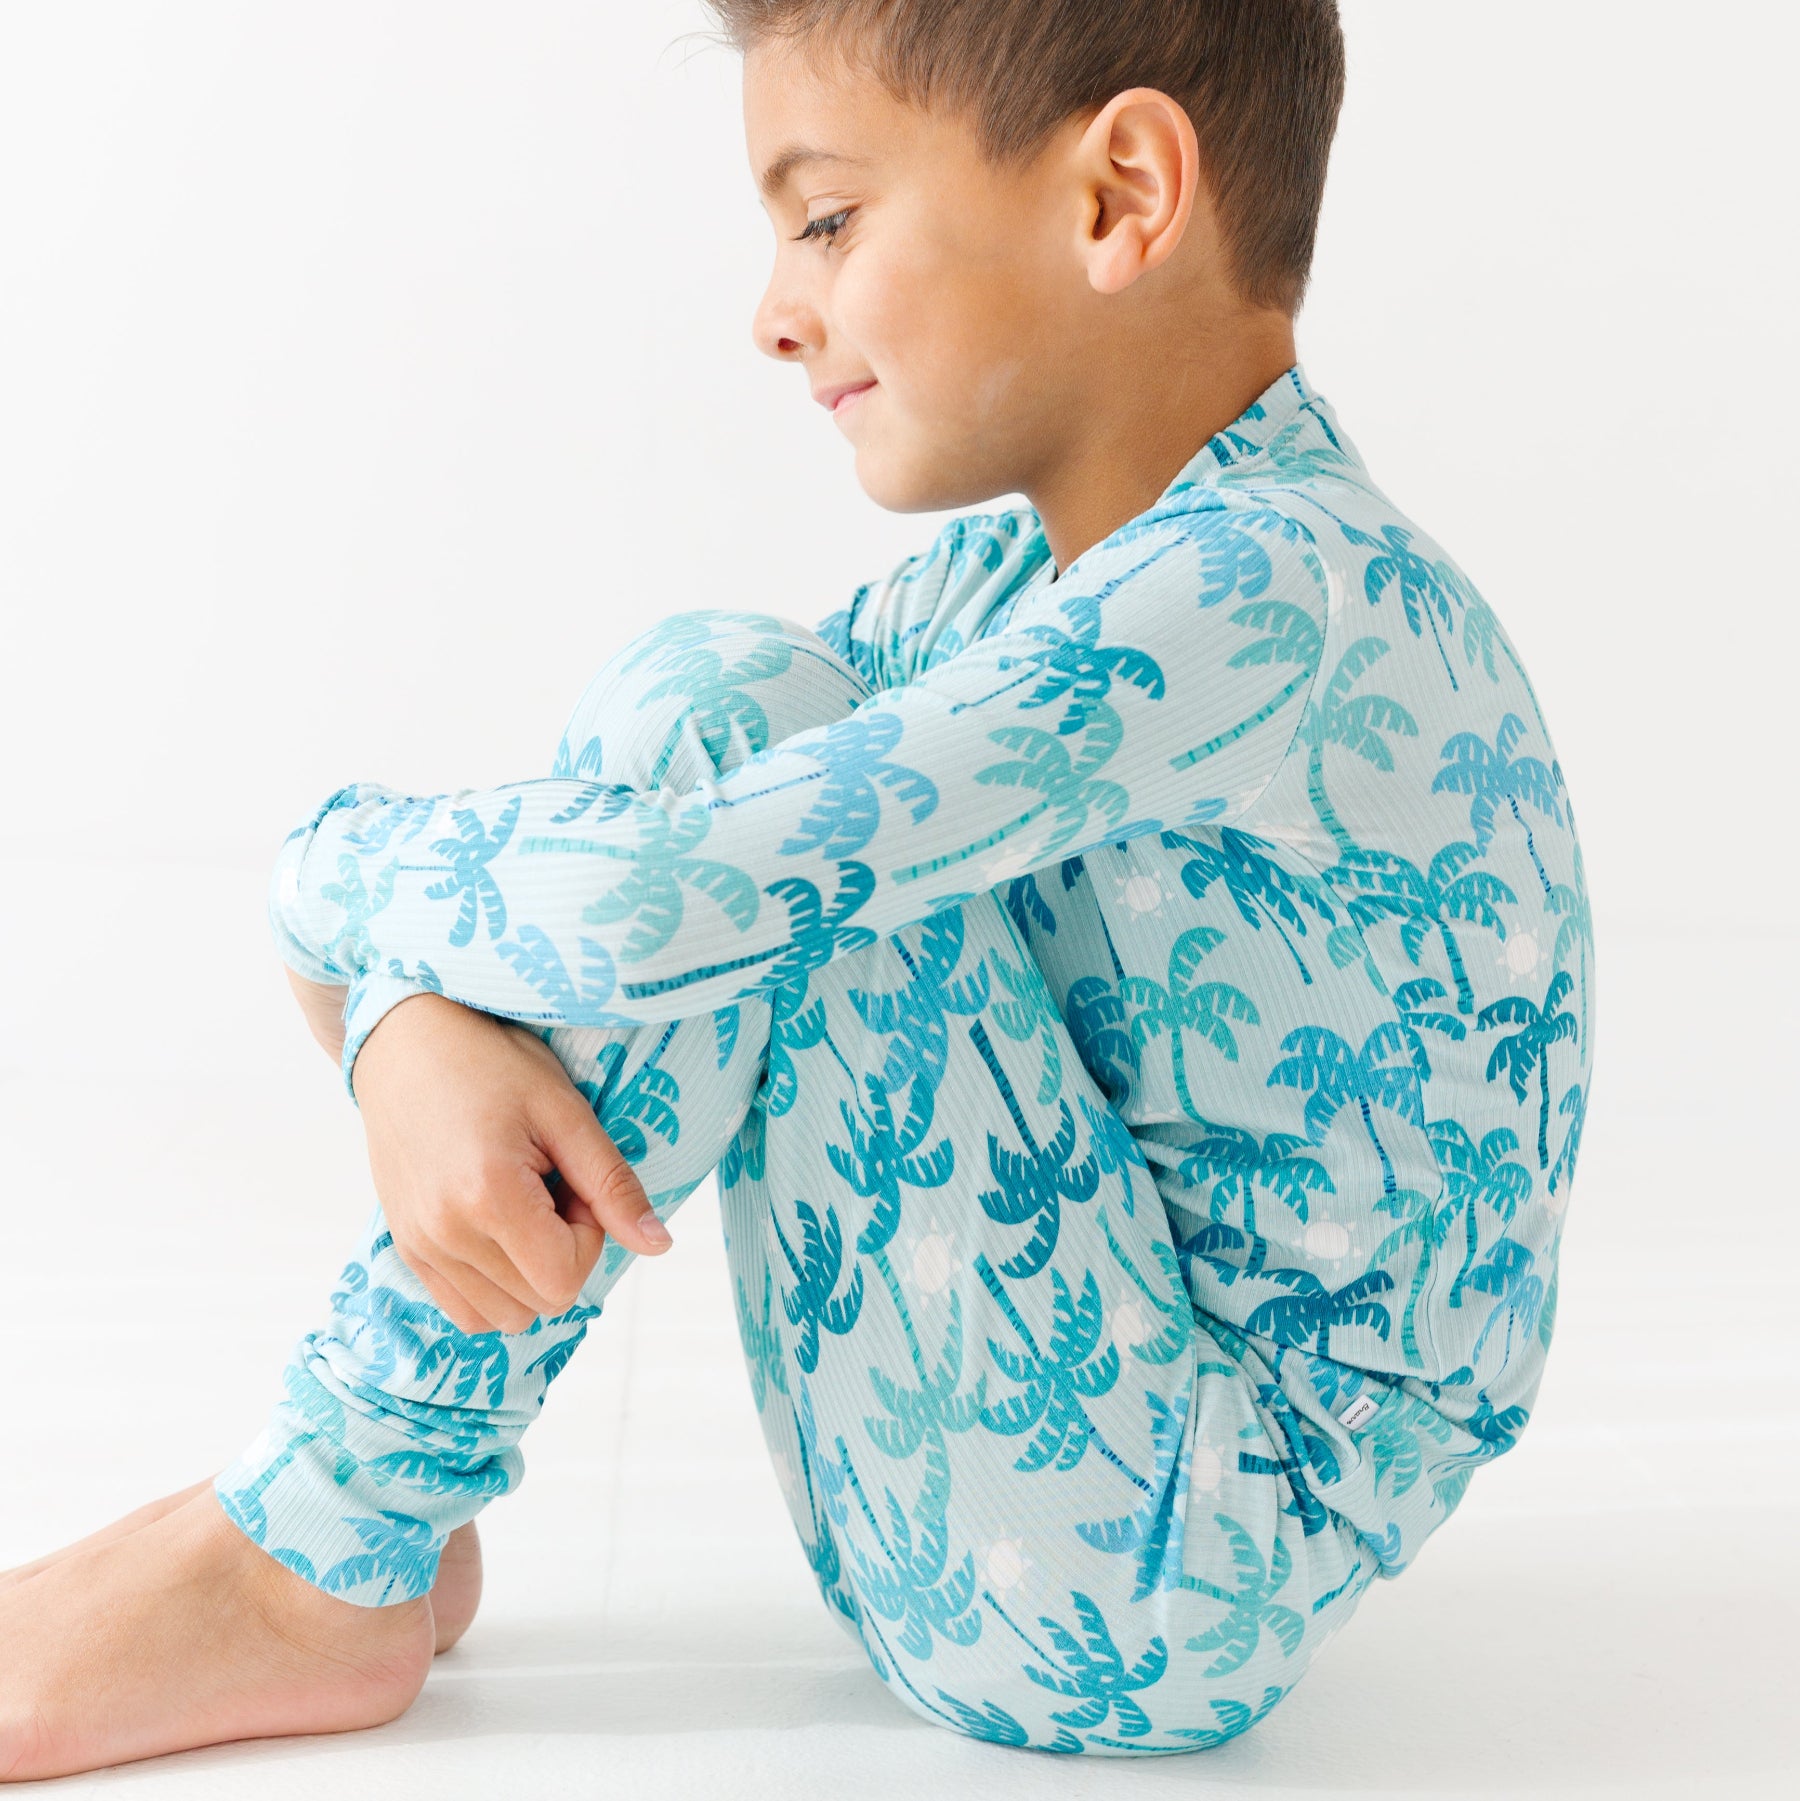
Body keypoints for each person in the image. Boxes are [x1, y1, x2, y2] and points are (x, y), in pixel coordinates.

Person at [0, 0, 1595, 1777]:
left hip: (1169, 1571)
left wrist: (333, 909)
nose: (775, 311)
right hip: (1048, 1510)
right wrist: (416, 1017)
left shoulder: (1275, 592)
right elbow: (629, 853)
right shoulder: (1016, 587)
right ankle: (370, 1511)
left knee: (722, 711)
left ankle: (327, 1542)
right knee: (715, 717)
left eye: (827, 219)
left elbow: (647, 897)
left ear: (1121, 194)